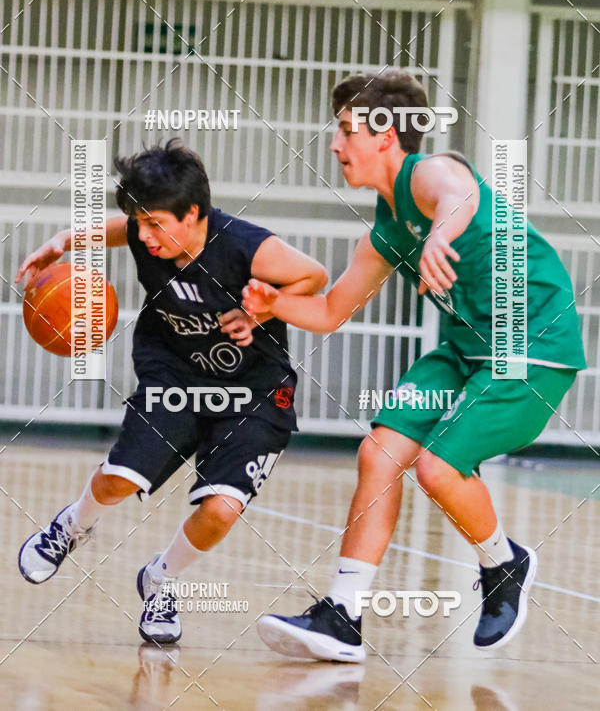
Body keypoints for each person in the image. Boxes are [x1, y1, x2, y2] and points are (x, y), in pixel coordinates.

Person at [242, 70, 586, 662]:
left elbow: (460, 195)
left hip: (528, 346)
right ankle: (342, 615)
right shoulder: (385, 226)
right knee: (378, 453)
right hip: (463, 349)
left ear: (385, 134)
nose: (335, 144)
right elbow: (330, 310)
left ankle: (503, 564)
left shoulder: (428, 173)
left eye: (346, 129)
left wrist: (439, 236)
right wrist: (275, 305)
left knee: (438, 469)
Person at [16, 139, 327, 645]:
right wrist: (64, 242)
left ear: (195, 214)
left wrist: (262, 310)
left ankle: (161, 580)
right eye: (139, 223)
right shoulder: (147, 229)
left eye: (156, 224)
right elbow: (121, 229)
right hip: (175, 372)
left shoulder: (249, 245)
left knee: (222, 509)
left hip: (255, 388)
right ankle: (71, 526)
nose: (144, 235)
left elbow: (315, 276)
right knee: (119, 479)